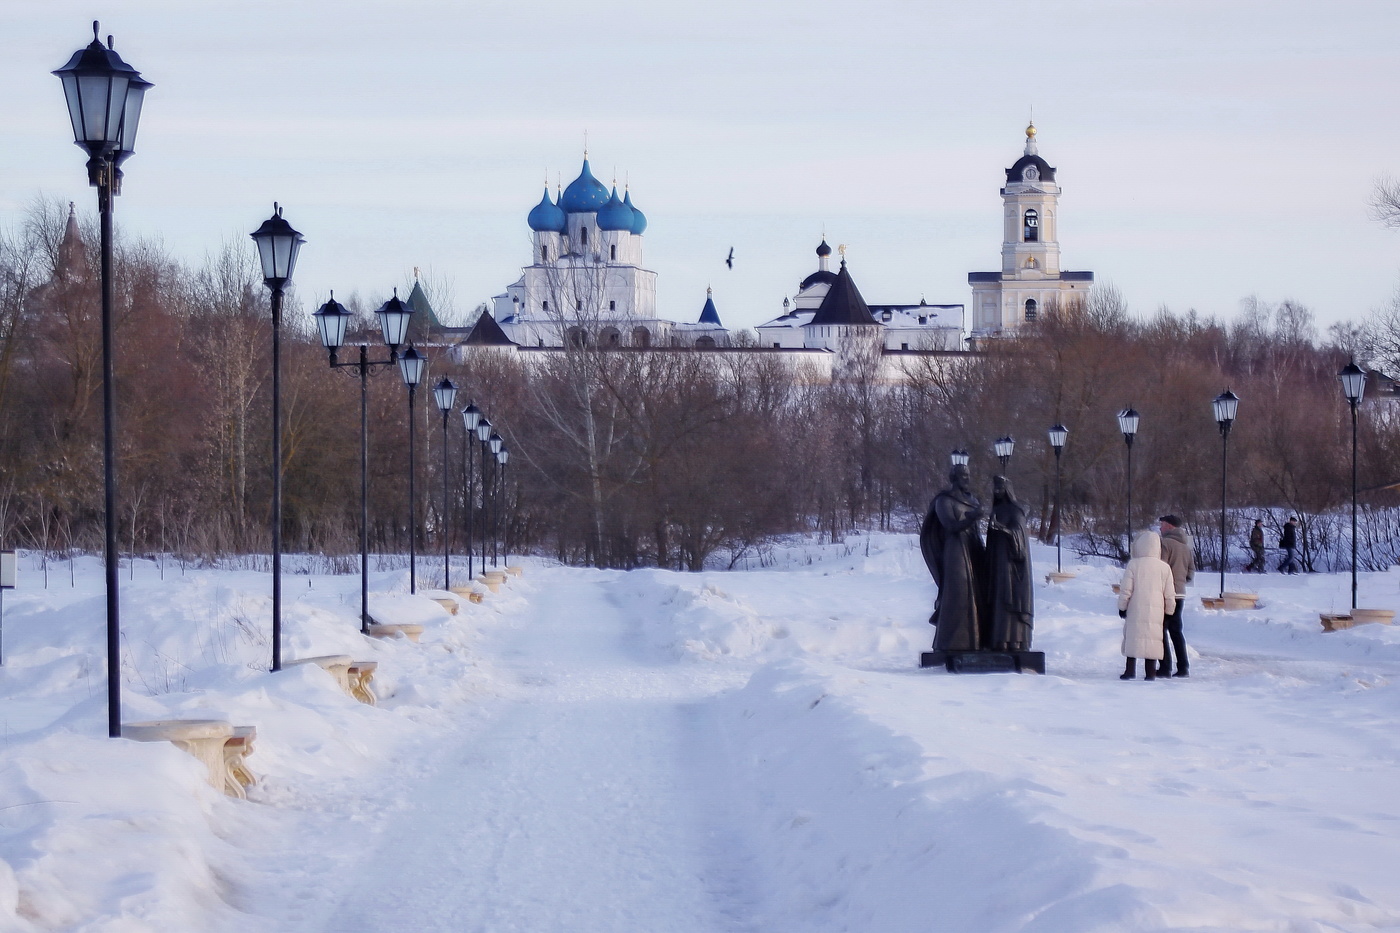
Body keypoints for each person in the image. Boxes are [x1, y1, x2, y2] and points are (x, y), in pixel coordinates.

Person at [919, 464, 987, 651]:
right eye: (963, 476)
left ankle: (977, 640)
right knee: (958, 594)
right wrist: (972, 517)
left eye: (968, 475)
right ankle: (952, 643)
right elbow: (950, 526)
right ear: (954, 478)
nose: (967, 479)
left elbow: (975, 532)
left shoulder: (972, 500)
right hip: (955, 552)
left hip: (972, 548)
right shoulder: (944, 500)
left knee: (977, 594)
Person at [1117, 530, 1175, 681]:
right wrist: (1169, 611)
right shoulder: (1164, 568)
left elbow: (1126, 589)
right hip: (1156, 609)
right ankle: (1150, 673)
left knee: (1133, 637)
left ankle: (1130, 671)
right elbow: (1170, 594)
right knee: (1153, 638)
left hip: (1136, 607)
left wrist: (1122, 607)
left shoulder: (1134, 564)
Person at [986, 475, 1033, 652]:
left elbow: (1019, 536)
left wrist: (1002, 529)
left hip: (1011, 565)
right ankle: (998, 639)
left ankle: (1015, 641)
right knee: (999, 600)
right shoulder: (996, 509)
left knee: (1011, 601)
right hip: (997, 563)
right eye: (995, 488)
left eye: (1000, 488)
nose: (997, 491)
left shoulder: (1015, 511)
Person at [1157, 514, 1194, 677]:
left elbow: (1161, 568)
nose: (1160, 527)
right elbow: (1191, 572)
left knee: (1161, 630)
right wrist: (1181, 580)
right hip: (1180, 593)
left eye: (1162, 524)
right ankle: (1183, 667)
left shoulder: (1165, 544)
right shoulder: (1186, 547)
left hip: (1166, 594)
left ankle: (1165, 667)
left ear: (1170, 527)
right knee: (1176, 631)